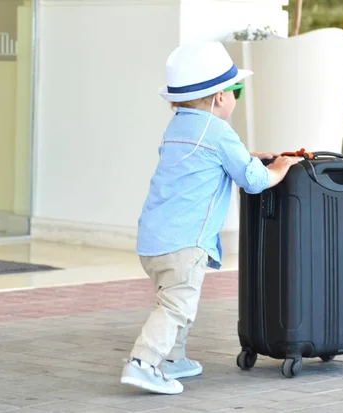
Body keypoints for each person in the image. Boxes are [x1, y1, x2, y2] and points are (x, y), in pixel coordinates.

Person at [120, 42, 299, 395]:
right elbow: (254, 180)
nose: (236, 97)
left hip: (154, 240)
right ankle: (143, 362)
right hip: (184, 242)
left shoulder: (177, 128)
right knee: (177, 306)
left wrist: (245, 155)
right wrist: (280, 166)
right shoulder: (219, 133)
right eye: (237, 90)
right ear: (220, 97)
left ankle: (175, 359)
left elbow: (204, 158)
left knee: (175, 298)